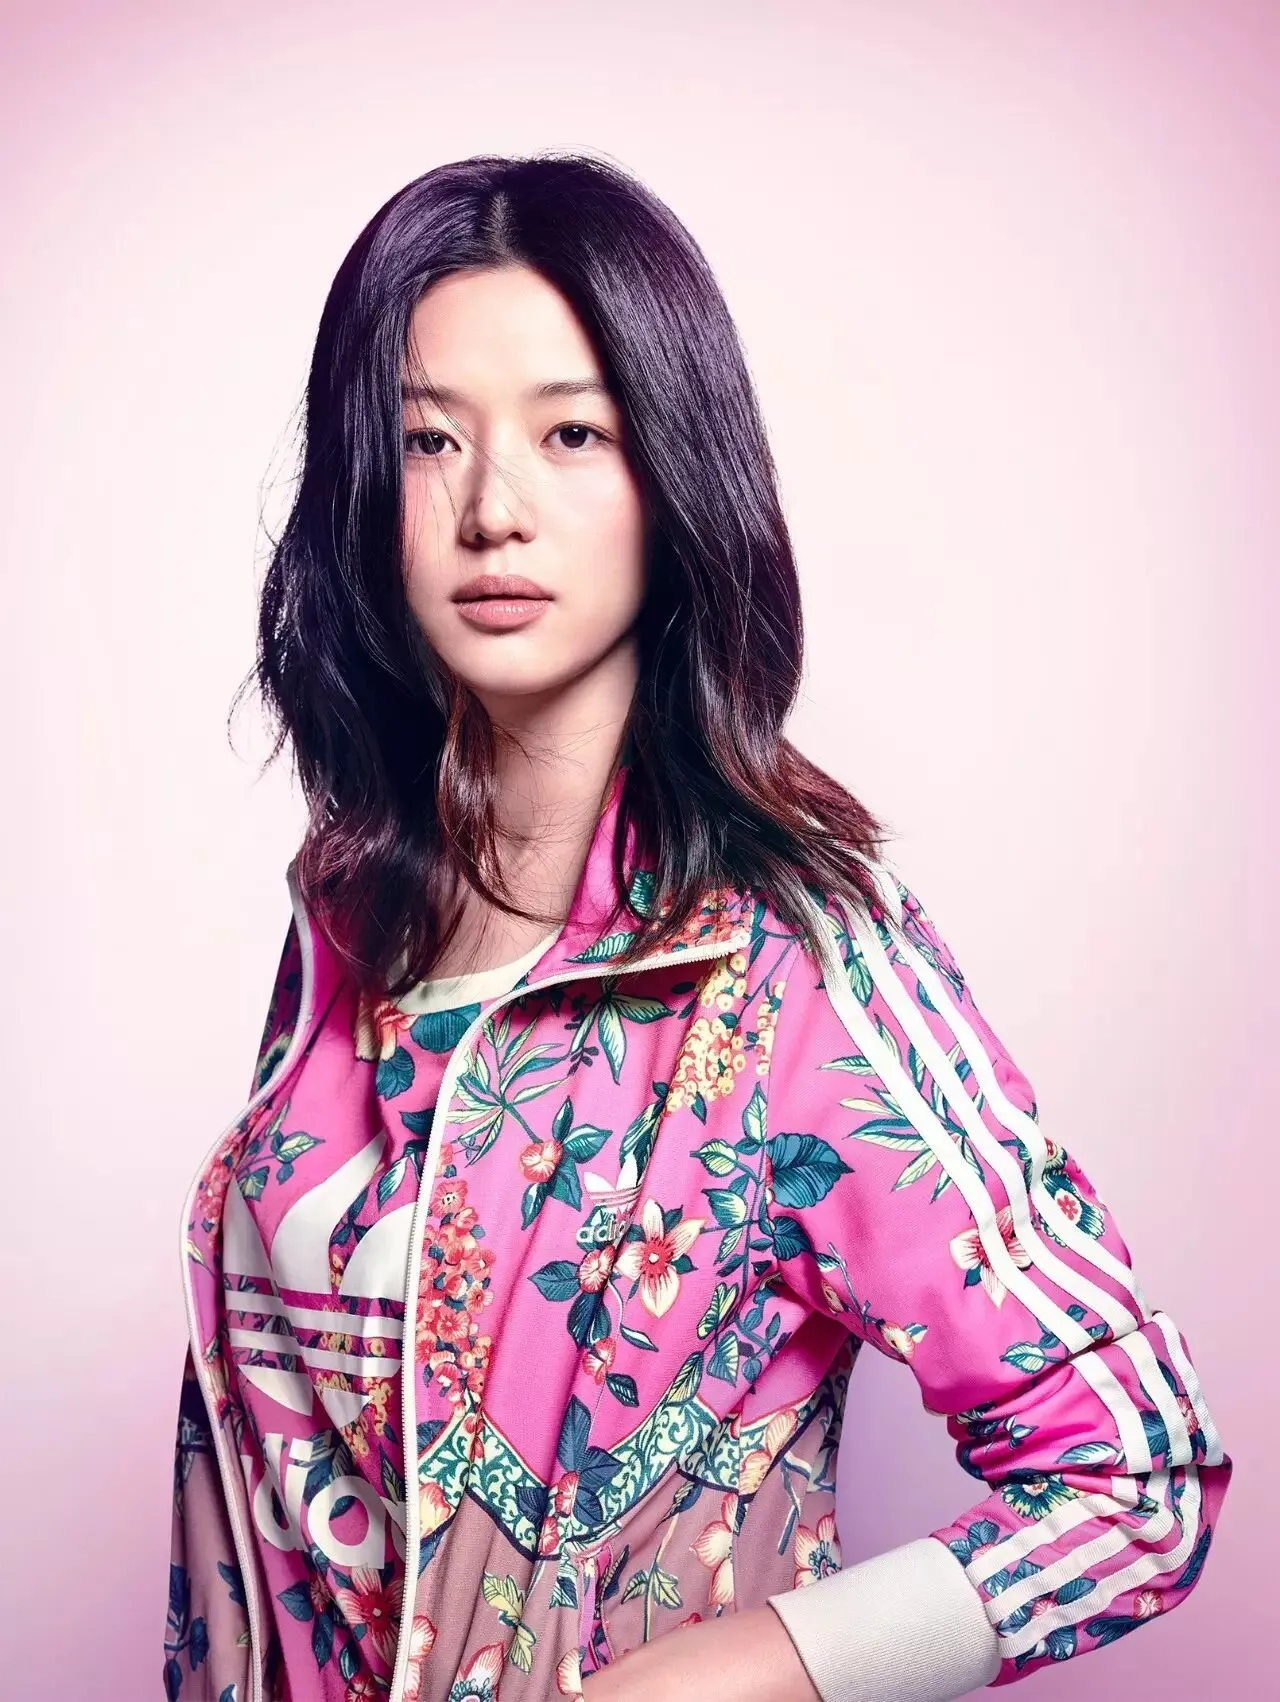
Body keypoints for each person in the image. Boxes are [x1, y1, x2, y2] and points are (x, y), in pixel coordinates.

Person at [164, 152, 1231, 1702]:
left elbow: (1142, 1477)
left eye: (572, 433)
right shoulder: (347, 911)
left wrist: (744, 1669)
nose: (492, 509)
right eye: (427, 438)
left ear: (673, 472)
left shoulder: (798, 957)